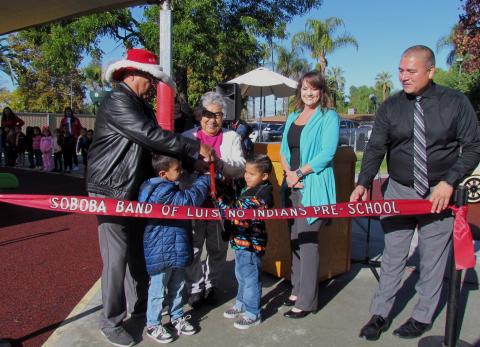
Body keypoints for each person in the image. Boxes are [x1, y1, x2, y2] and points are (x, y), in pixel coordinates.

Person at [351, 45, 480, 341]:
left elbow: (473, 146)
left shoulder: (456, 103)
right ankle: (379, 313)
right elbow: (375, 148)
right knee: (394, 254)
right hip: (399, 190)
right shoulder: (391, 106)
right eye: (400, 70)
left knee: (432, 259)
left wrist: (449, 182)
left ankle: (422, 317)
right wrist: (362, 182)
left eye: (411, 71)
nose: (403, 77)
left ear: (430, 71)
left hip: (439, 192)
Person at [86, 48, 213, 347]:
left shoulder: (138, 104)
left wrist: (191, 163)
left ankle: (140, 306)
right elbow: (150, 135)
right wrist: (194, 149)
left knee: (137, 253)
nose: (153, 84)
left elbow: (156, 145)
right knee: (116, 258)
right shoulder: (118, 100)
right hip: (110, 190)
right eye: (150, 78)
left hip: (132, 189)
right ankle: (111, 320)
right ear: (133, 75)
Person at [279, 70, 339, 319]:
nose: (308, 93)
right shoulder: (292, 116)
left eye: (313, 88)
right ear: (299, 91)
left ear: (321, 91)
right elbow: (283, 149)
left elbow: (327, 153)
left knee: (308, 242)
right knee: (294, 238)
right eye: (304, 88)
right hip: (291, 186)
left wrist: (299, 173)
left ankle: (306, 301)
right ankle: (297, 289)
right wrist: (289, 174)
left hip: (312, 187)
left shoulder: (329, 117)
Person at [182, 91, 245, 308]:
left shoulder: (232, 137)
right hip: (193, 204)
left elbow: (240, 167)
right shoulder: (187, 137)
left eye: (217, 115)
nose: (212, 119)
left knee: (218, 249)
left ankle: (211, 285)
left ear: (223, 117)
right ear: (200, 116)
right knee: (192, 248)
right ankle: (195, 287)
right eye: (207, 114)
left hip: (221, 204)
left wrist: (220, 164)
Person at [138, 154, 210, 343]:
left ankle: (176, 316)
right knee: (158, 288)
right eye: (177, 169)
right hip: (161, 248)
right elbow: (189, 200)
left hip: (175, 244)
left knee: (178, 285)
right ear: (163, 173)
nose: (182, 172)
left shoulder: (159, 186)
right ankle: (153, 323)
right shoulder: (160, 191)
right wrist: (205, 179)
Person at [221, 155, 274, 330]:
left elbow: (243, 208)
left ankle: (253, 312)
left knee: (251, 277)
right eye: (246, 172)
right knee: (241, 274)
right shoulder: (247, 188)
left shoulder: (263, 193)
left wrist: (223, 205)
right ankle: (241, 303)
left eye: (252, 174)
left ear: (264, 176)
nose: (246, 176)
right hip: (239, 241)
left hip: (252, 244)